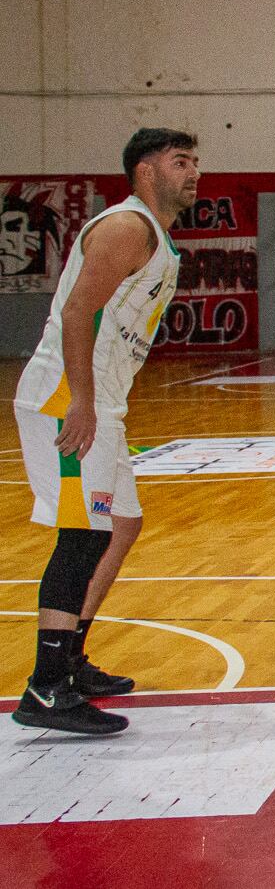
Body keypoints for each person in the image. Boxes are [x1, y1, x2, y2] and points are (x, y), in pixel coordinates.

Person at [12, 129, 198, 737]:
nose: (194, 172)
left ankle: (71, 660)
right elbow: (75, 311)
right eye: (181, 162)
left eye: (195, 161)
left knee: (121, 523)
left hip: (100, 400)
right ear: (146, 172)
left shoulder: (154, 233)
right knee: (82, 533)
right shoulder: (126, 228)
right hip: (67, 398)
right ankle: (45, 687)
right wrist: (85, 403)